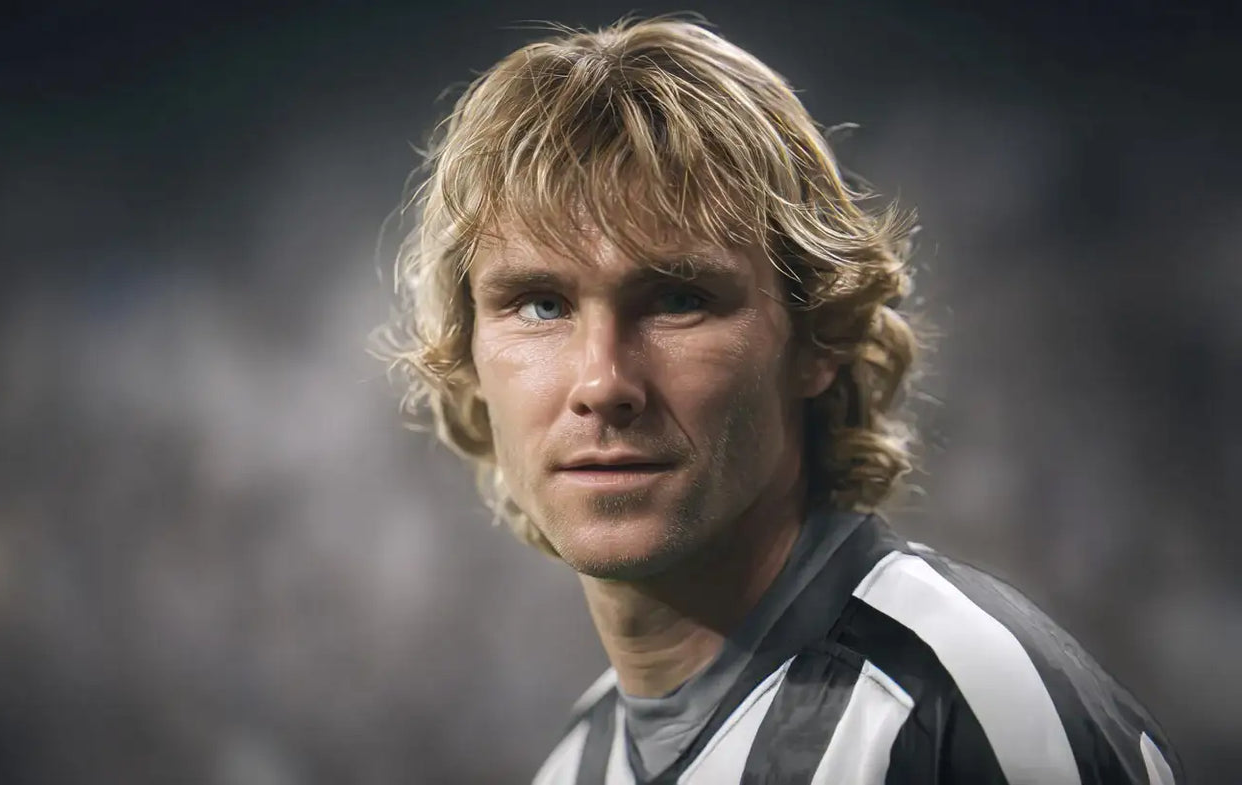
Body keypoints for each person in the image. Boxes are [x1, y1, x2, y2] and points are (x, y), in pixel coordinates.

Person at [372, 14, 1182, 785]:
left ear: (818, 337)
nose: (603, 382)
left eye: (678, 298)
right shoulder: (578, 761)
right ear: (468, 356)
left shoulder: (967, 713)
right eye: (541, 304)